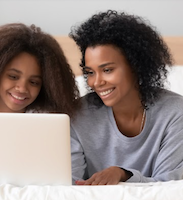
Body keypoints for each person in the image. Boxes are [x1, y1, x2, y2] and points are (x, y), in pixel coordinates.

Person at [69, 10, 183, 185]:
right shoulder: (78, 114)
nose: (96, 82)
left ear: (136, 66)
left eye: (107, 70)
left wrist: (123, 174)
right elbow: (69, 184)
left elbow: (168, 186)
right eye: (90, 72)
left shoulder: (175, 113)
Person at [0, 23, 80, 180]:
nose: (22, 88)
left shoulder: (51, 118)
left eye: (34, 82)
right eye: (13, 76)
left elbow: (72, 175)